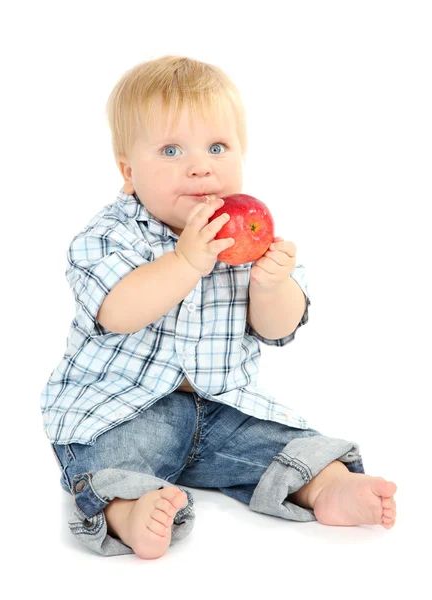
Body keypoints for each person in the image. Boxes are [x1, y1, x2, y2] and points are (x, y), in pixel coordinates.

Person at [41, 55, 397, 560]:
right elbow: (118, 311)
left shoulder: (248, 235)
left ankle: (328, 488)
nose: (200, 165)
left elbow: (277, 329)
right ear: (128, 172)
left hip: (224, 406)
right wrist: (185, 261)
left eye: (217, 147)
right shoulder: (107, 236)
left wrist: (272, 288)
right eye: (170, 149)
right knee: (111, 459)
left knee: (283, 441)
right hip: (122, 410)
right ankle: (129, 510)